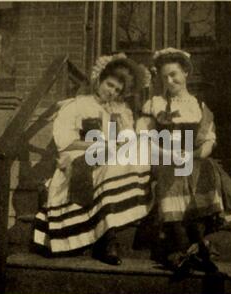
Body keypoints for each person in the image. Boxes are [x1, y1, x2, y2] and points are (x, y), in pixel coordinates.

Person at [136, 48, 231, 274]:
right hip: (164, 157)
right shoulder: (155, 104)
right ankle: (187, 246)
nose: (170, 81)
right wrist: (168, 154)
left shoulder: (198, 106)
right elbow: (144, 138)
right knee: (173, 172)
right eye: (165, 77)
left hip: (192, 158)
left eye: (174, 74)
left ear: (186, 72)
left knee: (206, 168)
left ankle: (191, 248)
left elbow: (209, 140)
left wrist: (193, 155)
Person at [33, 53, 153, 265]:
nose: (111, 92)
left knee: (133, 161)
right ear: (99, 80)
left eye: (117, 90)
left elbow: (126, 140)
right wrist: (100, 147)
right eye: (109, 85)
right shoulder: (77, 105)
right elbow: (65, 142)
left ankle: (115, 234)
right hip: (79, 158)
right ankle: (107, 240)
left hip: (109, 160)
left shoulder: (120, 112)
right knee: (106, 169)